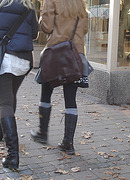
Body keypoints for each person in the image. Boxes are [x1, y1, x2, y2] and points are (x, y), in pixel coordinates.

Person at [0, 0, 38, 170]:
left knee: (5, 103)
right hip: (23, 59)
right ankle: (1, 128)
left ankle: (12, 155)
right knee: (11, 97)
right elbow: (34, 33)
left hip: (2, 57)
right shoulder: (28, 5)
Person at [30, 0, 89, 155]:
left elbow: (46, 27)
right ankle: (68, 143)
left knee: (46, 94)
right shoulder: (80, 3)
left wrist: (42, 19)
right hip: (75, 54)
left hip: (55, 53)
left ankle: (42, 133)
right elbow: (85, 29)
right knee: (70, 99)